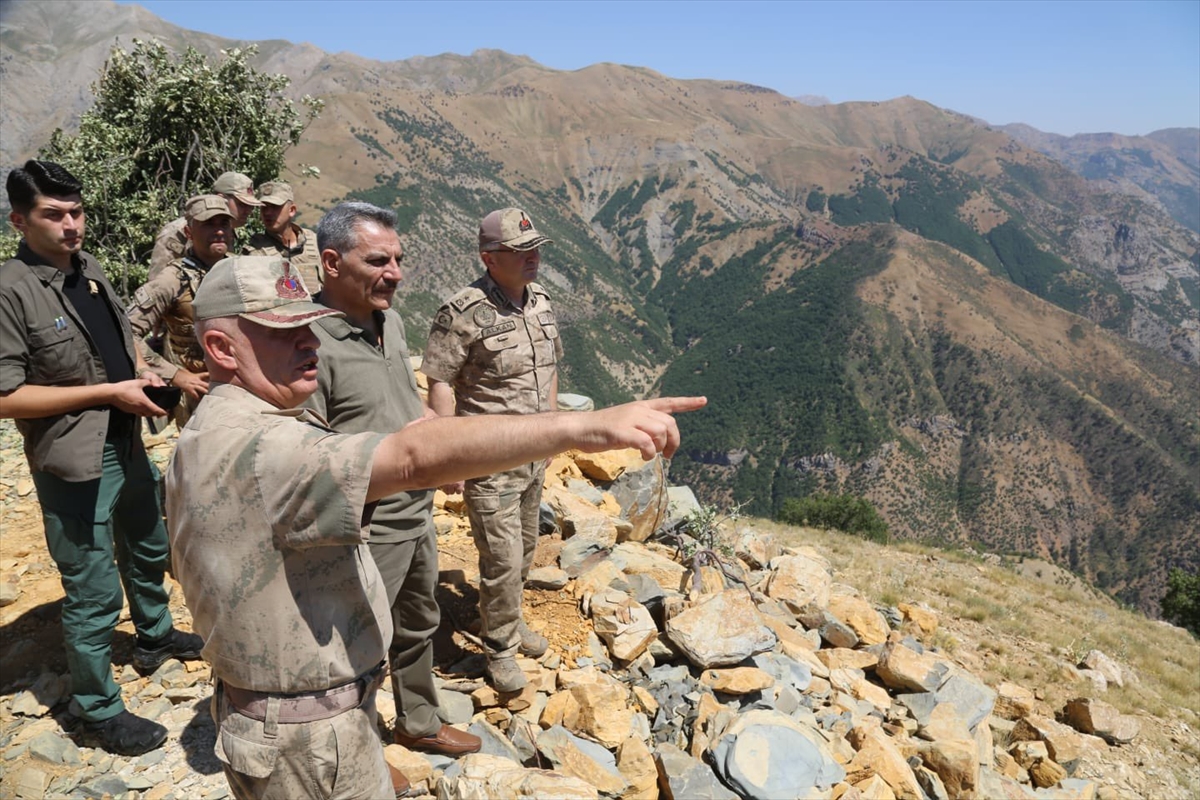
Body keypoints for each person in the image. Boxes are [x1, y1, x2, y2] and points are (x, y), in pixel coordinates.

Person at [166, 252, 703, 799]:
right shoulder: (262, 449)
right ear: (221, 349)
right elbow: (410, 458)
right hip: (308, 741)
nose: (311, 342)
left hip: (288, 720)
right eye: (282, 333)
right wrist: (580, 427)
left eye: (309, 325)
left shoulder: (216, 429)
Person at [0, 160, 203, 757]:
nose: (71, 226)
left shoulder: (88, 271)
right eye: (53, 215)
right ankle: (95, 710)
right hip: (73, 458)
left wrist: (145, 374)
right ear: (19, 220)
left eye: (77, 212)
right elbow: (6, 396)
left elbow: (122, 343)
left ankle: (155, 636)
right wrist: (106, 393)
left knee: (147, 544)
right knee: (91, 589)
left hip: (124, 438)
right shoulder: (10, 290)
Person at [304, 202, 482, 760]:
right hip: (364, 524)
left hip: (415, 512)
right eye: (379, 260)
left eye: (399, 259)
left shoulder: (391, 321)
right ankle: (354, 755)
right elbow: (307, 451)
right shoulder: (307, 340)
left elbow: (400, 403)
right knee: (356, 643)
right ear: (332, 263)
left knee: (417, 622)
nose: (396, 272)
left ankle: (418, 721)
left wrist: (438, 446)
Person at [422, 207, 560, 693]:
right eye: (520, 252)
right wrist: (448, 453)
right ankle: (499, 649)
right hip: (488, 458)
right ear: (488, 257)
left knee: (523, 552)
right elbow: (440, 382)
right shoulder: (463, 313)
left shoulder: (540, 301)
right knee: (500, 557)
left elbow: (549, 367)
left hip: (532, 453)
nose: (533, 258)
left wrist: (552, 428)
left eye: (535, 248)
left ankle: (508, 620)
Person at [128, 194, 234, 425]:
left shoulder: (241, 269)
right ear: (188, 233)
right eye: (208, 224)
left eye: (224, 223)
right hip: (200, 399)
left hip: (243, 389)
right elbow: (126, 333)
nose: (219, 231)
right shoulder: (171, 281)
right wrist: (175, 375)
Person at [148, 171, 261, 280]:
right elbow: (157, 284)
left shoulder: (229, 230)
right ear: (222, 199)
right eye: (242, 204)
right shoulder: (177, 231)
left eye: (250, 206)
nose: (248, 211)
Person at [243, 180, 323, 292]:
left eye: (275, 207)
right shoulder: (256, 252)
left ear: (292, 210)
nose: (268, 213)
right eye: (264, 207)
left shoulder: (314, 243)